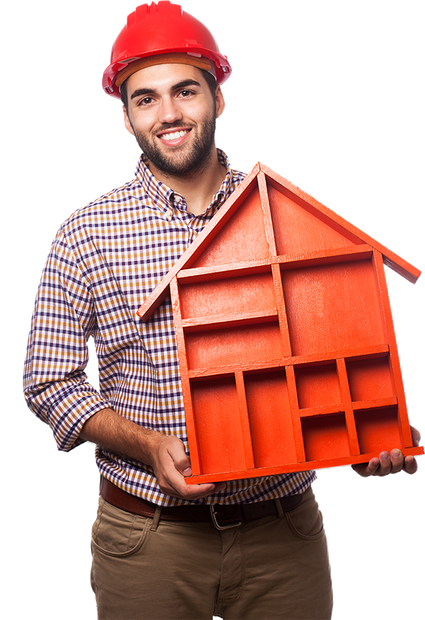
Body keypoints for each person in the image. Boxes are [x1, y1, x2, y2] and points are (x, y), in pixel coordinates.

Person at [22, 2, 421, 619]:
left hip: (282, 535)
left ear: (219, 97)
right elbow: (48, 382)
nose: (169, 114)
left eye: (185, 91)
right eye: (145, 99)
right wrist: (147, 444)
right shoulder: (85, 234)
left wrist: (363, 439)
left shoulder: (286, 213)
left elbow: (324, 354)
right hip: (149, 537)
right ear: (126, 117)